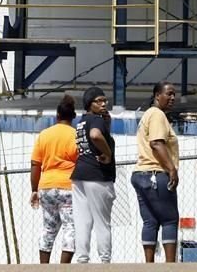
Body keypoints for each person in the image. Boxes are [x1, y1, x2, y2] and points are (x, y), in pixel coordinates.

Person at [132, 81, 180, 263]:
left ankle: (149, 265)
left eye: (174, 94)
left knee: (150, 221)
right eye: (168, 94)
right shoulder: (157, 114)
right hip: (156, 173)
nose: (172, 97)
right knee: (169, 219)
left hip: (141, 174)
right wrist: (171, 169)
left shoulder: (149, 115)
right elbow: (157, 143)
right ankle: (169, 265)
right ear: (157, 96)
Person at [30, 94, 79, 264]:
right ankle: (64, 267)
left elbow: (35, 164)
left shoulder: (44, 135)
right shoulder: (76, 135)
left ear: (57, 116)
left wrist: (34, 190)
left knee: (48, 229)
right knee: (70, 228)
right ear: (73, 117)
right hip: (69, 187)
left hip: (47, 187)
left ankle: (44, 267)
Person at [72, 86, 116, 264]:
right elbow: (96, 135)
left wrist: (107, 125)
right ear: (90, 104)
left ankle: (82, 260)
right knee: (102, 222)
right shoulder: (95, 120)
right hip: (97, 175)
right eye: (99, 101)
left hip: (80, 174)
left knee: (82, 221)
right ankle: (105, 261)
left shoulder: (82, 121)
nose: (104, 103)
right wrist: (108, 154)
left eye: (105, 100)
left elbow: (93, 134)